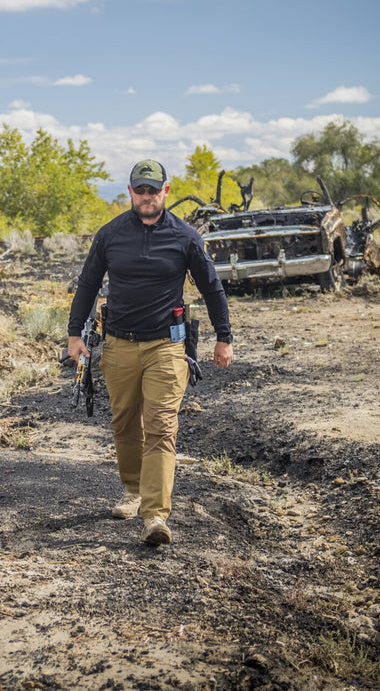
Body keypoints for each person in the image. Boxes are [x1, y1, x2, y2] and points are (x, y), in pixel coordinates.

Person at [67, 159, 234, 546]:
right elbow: (88, 284)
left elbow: (212, 288)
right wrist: (75, 335)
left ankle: (155, 516)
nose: (146, 197)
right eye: (139, 190)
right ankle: (132, 490)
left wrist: (223, 337)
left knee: (161, 426)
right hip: (119, 346)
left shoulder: (186, 237)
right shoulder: (110, 235)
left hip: (166, 345)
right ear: (130, 192)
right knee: (125, 423)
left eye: (153, 190)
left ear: (165, 192)